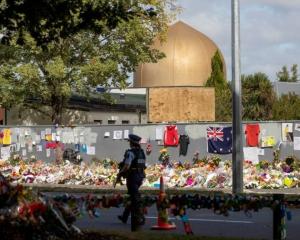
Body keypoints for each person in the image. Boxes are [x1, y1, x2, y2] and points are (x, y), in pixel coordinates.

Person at [115, 133, 146, 231]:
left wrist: (120, 173)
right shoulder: (141, 152)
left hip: (133, 176)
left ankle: (139, 218)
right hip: (140, 176)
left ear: (131, 143)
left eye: (129, 142)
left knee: (135, 198)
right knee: (133, 196)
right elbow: (142, 164)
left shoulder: (130, 153)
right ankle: (125, 217)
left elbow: (127, 165)